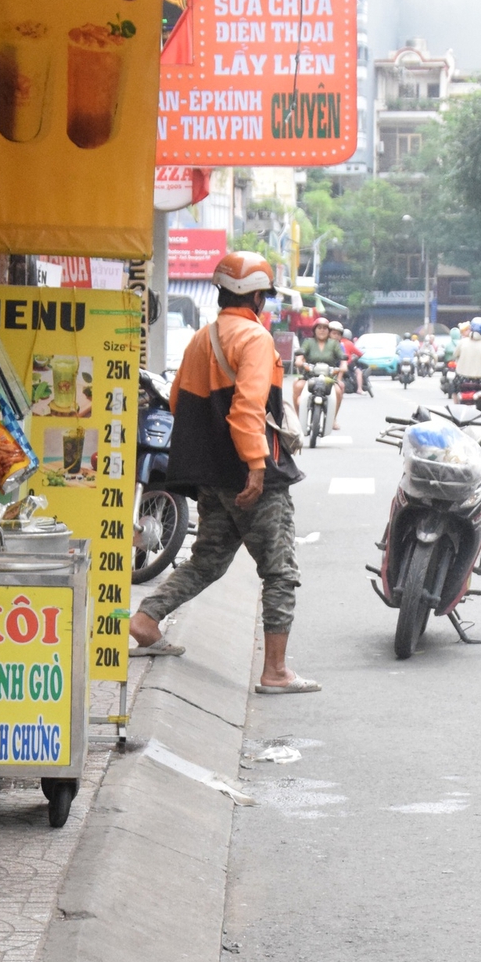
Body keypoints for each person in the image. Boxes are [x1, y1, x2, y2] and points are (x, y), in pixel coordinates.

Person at [130, 251, 317, 693]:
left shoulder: (201, 338)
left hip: (210, 476)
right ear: (256, 297)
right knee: (280, 571)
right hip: (250, 477)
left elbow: (178, 402)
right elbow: (247, 409)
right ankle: (275, 672)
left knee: (208, 560)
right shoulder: (254, 339)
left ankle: (145, 618)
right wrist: (255, 465)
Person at [290, 315, 347, 429]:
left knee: (338, 390)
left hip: (328, 377)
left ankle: (333, 419)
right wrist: (299, 360)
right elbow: (302, 353)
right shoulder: (308, 342)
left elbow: (341, 357)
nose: (322, 330)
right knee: (297, 386)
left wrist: (344, 364)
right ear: (314, 330)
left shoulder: (334, 344)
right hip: (309, 376)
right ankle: (297, 418)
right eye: (319, 328)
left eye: (325, 328)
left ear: (328, 331)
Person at [454, 316, 481, 393]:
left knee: (454, 387)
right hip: (479, 381)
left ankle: (455, 402)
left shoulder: (462, 342)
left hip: (461, 379)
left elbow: (455, 355)